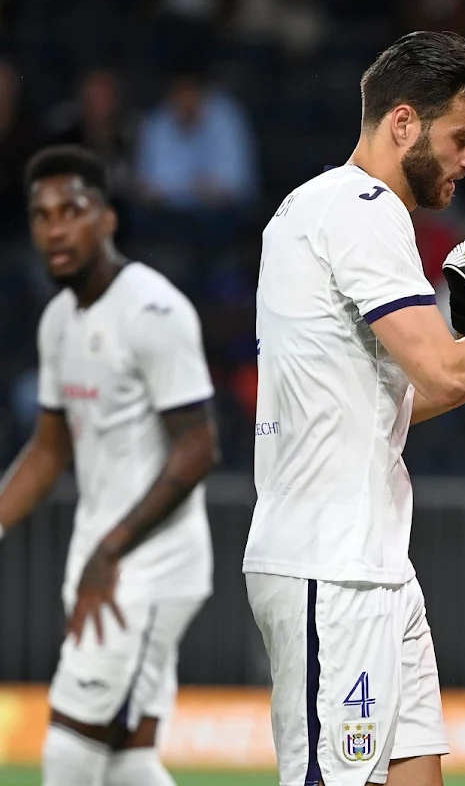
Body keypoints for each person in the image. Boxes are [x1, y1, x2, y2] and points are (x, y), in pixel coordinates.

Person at [241, 31, 465, 786]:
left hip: (372, 562)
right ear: (403, 123)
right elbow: (439, 366)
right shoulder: (362, 207)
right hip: (329, 568)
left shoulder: (325, 207)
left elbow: (419, 392)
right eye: (462, 138)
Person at [0, 144, 220, 786]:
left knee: (69, 752)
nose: (56, 227)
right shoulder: (58, 321)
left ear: (107, 219)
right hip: (105, 565)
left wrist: (111, 552)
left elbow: (199, 446)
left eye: (73, 209)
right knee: (127, 763)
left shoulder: (154, 309)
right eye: (42, 215)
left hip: (141, 569)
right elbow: (47, 450)